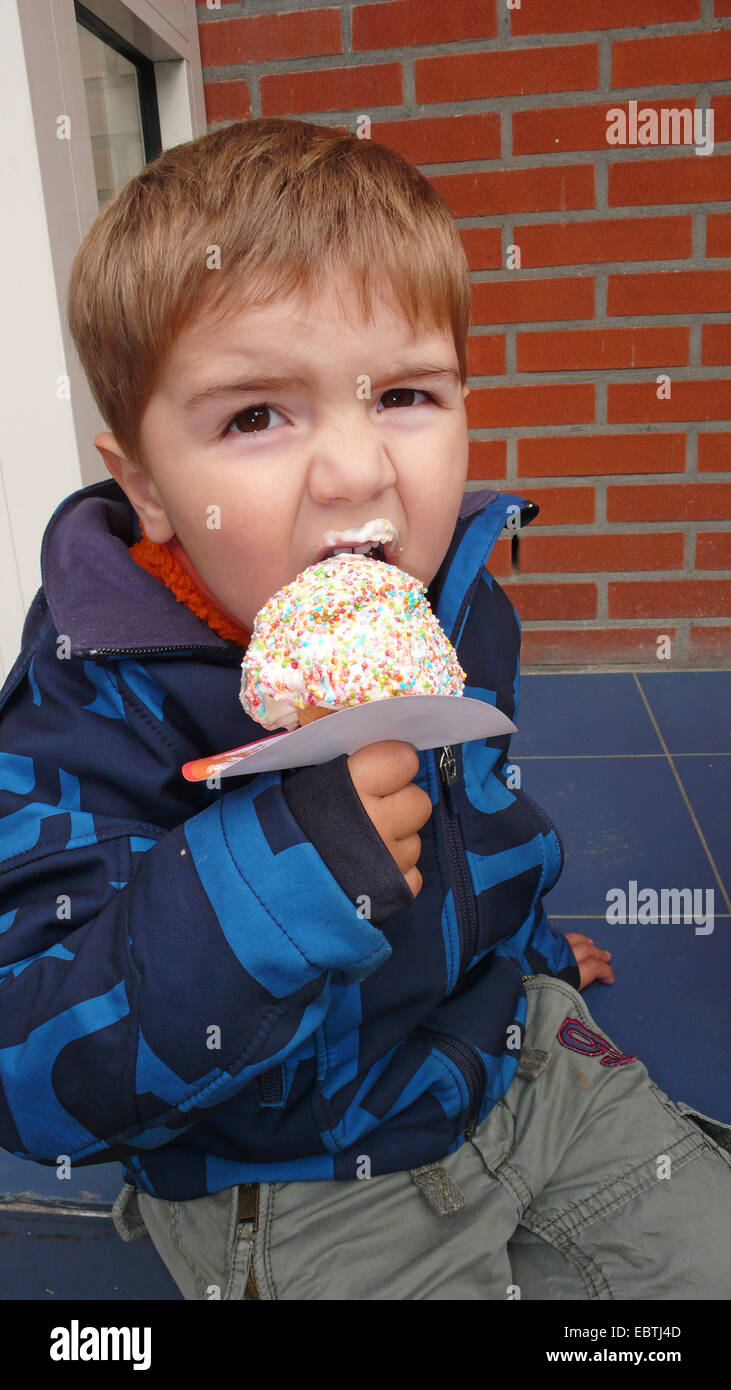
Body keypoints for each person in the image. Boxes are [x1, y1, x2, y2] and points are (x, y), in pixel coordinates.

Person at [0, 118, 728, 1302]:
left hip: (501, 1056)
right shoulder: (92, 703)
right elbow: (29, 1064)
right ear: (145, 485)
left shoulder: (459, 611)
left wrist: (526, 943)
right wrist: (275, 873)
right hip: (289, 1172)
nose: (354, 471)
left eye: (401, 393)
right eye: (253, 416)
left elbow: (477, 814)